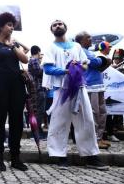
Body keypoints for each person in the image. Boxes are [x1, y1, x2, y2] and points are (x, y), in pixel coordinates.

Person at [42, 20, 108, 170]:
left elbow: (85, 64)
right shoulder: (50, 48)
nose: (58, 25)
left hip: (79, 88)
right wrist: (66, 71)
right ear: (51, 30)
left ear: (66, 27)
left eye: (60, 23)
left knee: (87, 120)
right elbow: (47, 69)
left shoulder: (77, 46)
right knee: (59, 122)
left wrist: (78, 67)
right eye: (54, 24)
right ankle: (59, 156)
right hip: (61, 89)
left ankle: (91, 156)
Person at [0, 12, 29, 171]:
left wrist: (13, 46)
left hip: (17, 86)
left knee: (17, 122)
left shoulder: (14, 45)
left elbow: (25, 60)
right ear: (0, 26)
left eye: (13, 25)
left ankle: (15, 158)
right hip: (0, 85)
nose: (12, 28)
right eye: (9, 25)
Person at [75, 34, 112, 149]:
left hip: (98, 85)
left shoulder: (89, 51)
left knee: (102, 112)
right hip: (90, 86)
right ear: (82, 40)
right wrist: (103, 60)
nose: (91, 39)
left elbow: (97, 64)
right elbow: (95, 63)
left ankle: (99, 138)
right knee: (95, 113)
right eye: (88, 38)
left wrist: (102, 61)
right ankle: (94, 139)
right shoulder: (81, 51)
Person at [27, 45, 47, 139]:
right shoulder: (34, 60)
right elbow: (38, 72)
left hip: (36, 89)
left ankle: (38, 131)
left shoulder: (32, 60)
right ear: (38, 52)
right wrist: (45, 67)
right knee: (39, 111)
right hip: (37, 89)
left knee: (38, 111)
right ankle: (37, 133)